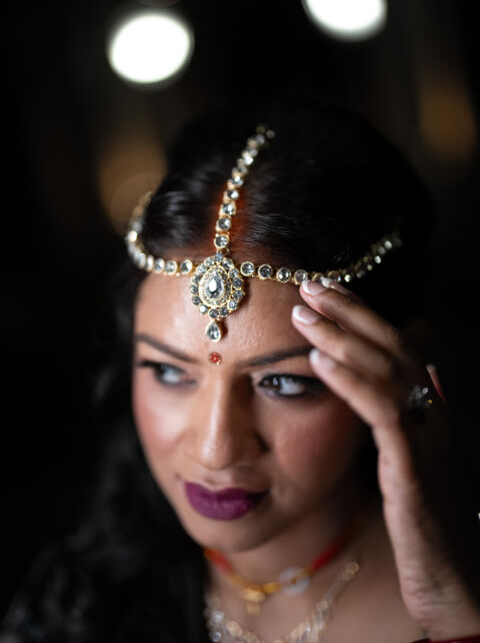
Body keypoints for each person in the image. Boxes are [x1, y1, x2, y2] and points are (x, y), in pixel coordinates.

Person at [2, 90, 479, 643]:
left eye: (283, 383)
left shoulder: (462, 598)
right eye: (169, 373)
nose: (215, 449)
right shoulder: (75, 607)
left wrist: (455, 607)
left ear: (403, 369)